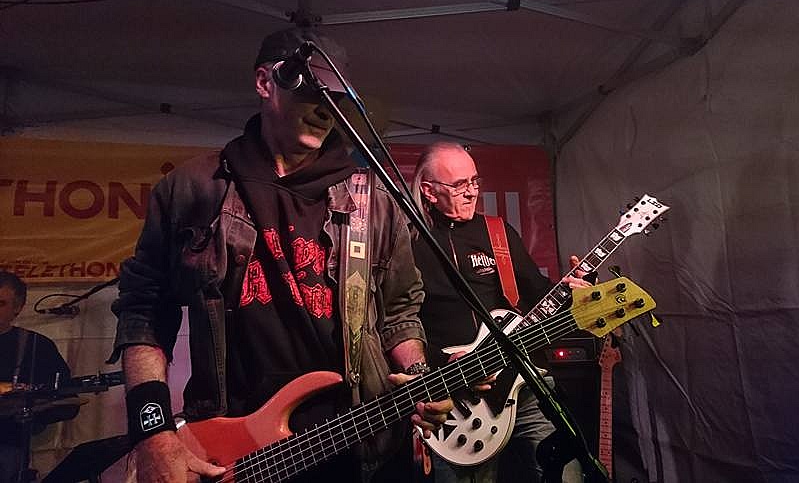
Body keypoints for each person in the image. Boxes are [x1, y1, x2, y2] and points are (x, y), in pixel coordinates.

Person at [109, 27, 452, 483]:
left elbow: (399, 312)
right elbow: (145, 311)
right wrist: (152, 431)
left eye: (335, 99)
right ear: (265, 82)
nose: (325, 111)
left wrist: (420, 375)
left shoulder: (375, 201)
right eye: (312, 93)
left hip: (357, 441)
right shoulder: (194, 189)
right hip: (234, 448)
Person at [410, 142, 590, 483]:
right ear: (429, 191)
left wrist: (571, 289)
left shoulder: (497, 232)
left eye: (474, 181)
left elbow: (538, 294)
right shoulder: (408, 241)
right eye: (459, 185)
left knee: (567, 475)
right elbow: (402, 322)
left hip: (522, 383)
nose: (472, 192)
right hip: (455, 398)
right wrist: (439, 363)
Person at [0, 271, 73, 483]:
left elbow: (65, 398)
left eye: (0, 303)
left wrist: (30, 410)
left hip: (7, 446)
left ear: (18, 307)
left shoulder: (36, 346)